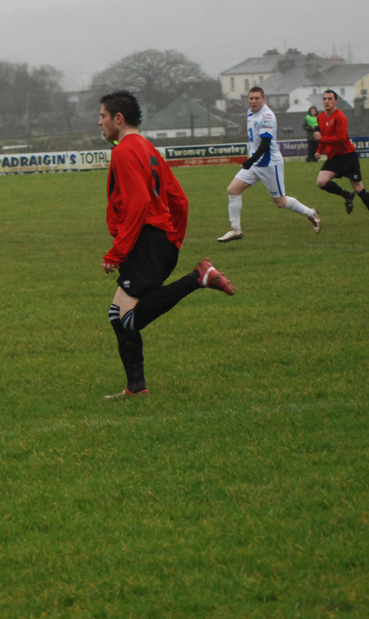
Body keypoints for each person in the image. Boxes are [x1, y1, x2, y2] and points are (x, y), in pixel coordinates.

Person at [98, 90, 234, 400]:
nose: (100, 121)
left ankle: (198, 278)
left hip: (146, 242)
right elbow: (179, 199)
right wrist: (173, 238)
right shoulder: (147, 147)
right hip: (158, 240)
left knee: (127, 319)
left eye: (103, 116)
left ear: (118, 119)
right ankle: (136, 388)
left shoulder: (123, 151)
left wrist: (117, 251)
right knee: (116, 317)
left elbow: (138, 203)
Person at [217, 87, 320, 243]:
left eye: (257, 98)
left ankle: (310, 213)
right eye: (251, 98)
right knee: (233, 190)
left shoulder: (267, 116)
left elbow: (265, 143)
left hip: (269, 163)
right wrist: (252, 160)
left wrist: (250, 160)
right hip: (255, 162)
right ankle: (235, 229)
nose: (254, 101)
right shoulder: (250, 112)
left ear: (263, 99)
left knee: (280, 202)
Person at [313, 89, 369, 224]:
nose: (326, 101)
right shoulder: (320, 117)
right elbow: (323, 137)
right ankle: (346, 195)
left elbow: (341, 138)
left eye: (330, 99)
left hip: (347, 157)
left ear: (336, 101)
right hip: (334, 158)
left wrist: (322, 139)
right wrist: (320, 150)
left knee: (359, 188)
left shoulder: (340, 117)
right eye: (324, 99)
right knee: (321, 182)